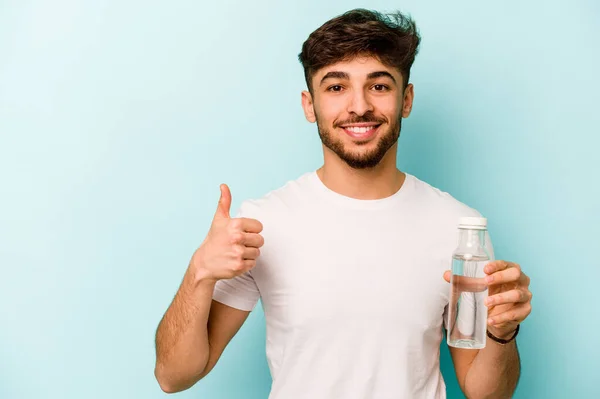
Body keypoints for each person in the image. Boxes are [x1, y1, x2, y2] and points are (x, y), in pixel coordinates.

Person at [154, 8, 532, 399]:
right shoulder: (263, 224)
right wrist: (199, 270)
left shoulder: (460, 229)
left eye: (379, 86)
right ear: (309, 104)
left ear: (407, 99)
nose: (359, 106)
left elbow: (487, 393)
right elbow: (173, 376)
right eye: (336, 88)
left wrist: (500, 333)